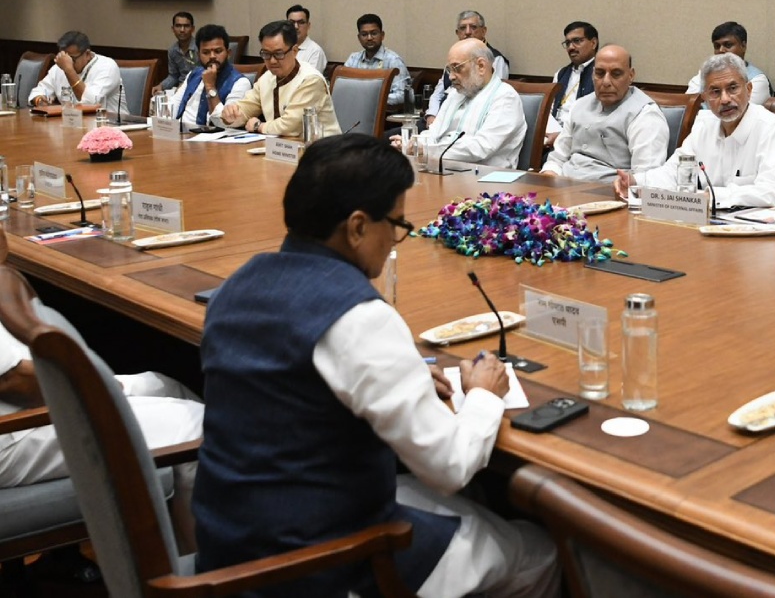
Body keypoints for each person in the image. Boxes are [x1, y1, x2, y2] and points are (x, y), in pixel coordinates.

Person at [193, 133, 559, 598]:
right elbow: (449, 466)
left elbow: (295, 385)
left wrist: (400, 376)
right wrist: (484, 395)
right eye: (397, 223)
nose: (395, 239)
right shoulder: (358, 317)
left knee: (460, 505)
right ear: (358, 227)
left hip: (228, 546)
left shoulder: (237, 284)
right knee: (536, 552)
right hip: (319, 566)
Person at [0, 260, 204, 552]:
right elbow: (15, 383)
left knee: (165, 385)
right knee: (197, 425)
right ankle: (204, 567)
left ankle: (185, 548)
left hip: (32, 404)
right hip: (15, 432)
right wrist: (98, 384)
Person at [614, 53, 775, 208]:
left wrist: (714, 196)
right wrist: (636, 181)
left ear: (749, 90)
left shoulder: (769, 127)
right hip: (706, 222)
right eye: (715, 92)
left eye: (733, 88)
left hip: (752, 229)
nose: (725, 99)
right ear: (705, 97)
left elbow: (774, 191)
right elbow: (674, 172)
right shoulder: (704, 125)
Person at [541, 44, 667, 180]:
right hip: (565, 185)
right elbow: (557, 158)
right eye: (600, 73)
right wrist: (549, 177)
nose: (606, 82)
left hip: (609, 190)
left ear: (631, 76)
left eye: (616, 74)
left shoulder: (645, 115)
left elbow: (644, 178)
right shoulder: (579, 105)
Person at [398, 38, 525, 168]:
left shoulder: (505, 97)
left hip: (484, 175)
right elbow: (434, 132)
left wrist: (426, 150)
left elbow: (481, 148)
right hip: (443, 168)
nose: (451, 77)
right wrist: (413, 144)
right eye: (449, 70)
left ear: (481, 66)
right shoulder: (456, 94)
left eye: (457, 68)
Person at [220, 20, 340, 138]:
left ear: (294, 51)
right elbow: (247, 108)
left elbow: (290, 126)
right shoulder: (267, 78)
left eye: (278, 54)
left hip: (321, 147)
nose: (272, 61)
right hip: (281, 147)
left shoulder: (311, 80)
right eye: (266, 54)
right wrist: (231, 115)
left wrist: (258, 126)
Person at [424, 10, 510, 126]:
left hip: (466, 117)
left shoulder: (496, 59)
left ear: (484, 31)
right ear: (457, 33)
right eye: (463, 28)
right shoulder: (455, 57)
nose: (468, 32)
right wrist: (432, 115)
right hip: (441, 114)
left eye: (473, 27)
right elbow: (439, 92)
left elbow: (490, 95)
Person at [28, 31, 128, 115]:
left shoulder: (107, 66)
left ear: (87, 54)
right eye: (64, 58)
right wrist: (40, 101)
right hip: (73, 124)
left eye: (72, 59)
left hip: (111, 126)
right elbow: (37, 91)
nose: (67, 62)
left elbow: (90, 103)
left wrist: (69, 70)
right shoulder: (59, 67)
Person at [169, 24, 250, 126]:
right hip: (180, 131)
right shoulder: (194, 74)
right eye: (206, 52)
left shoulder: (240, 83)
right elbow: (174, 105)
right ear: (198, 55)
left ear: (228, 53)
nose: (212, 56)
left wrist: (210, 87)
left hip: (210, 135)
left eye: (218, 51)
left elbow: (226, 123)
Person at [684, 22, 772, 105]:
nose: (721, 50)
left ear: (743, 46)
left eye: (728, 45)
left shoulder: (757, 79)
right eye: (717, 46)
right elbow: (688, 105)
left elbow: (742, 111)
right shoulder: (705, 74)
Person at [543, 21, 598, 146]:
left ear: (593, 43)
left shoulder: (601, 74)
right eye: (567, 43)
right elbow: (549, 107)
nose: (571, 47)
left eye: (577, 41)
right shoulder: (561, 73)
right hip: (552, 131)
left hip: (581, 140)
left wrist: (562, 137)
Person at [345, 13, 411, 108]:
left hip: (382, 112)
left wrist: (371, 99)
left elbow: (402, 95)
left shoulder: (393, 60)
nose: (369, 38)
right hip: (353, 108)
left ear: (382, 35)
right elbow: (343, 89)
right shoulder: (353, 59)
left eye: (374, 33)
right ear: (359, 38)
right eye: (364, 34)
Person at [152, 11, 197, 94]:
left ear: (193, 29)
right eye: (178, 26)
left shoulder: (201, 48)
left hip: (198, 88)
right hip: (179, 90)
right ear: (173, 29)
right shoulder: (172, 50)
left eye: (186, 26)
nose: (182, 30)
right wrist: (161, 86)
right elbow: (173, 76)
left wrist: (185, 86)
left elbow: (203, 73)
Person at [286, 4, 328, 74]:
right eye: (291, 23)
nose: (296, 27)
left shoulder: (315, 51)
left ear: (308, 26)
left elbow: (311, 78)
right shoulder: (282, 48)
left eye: (301, 22)